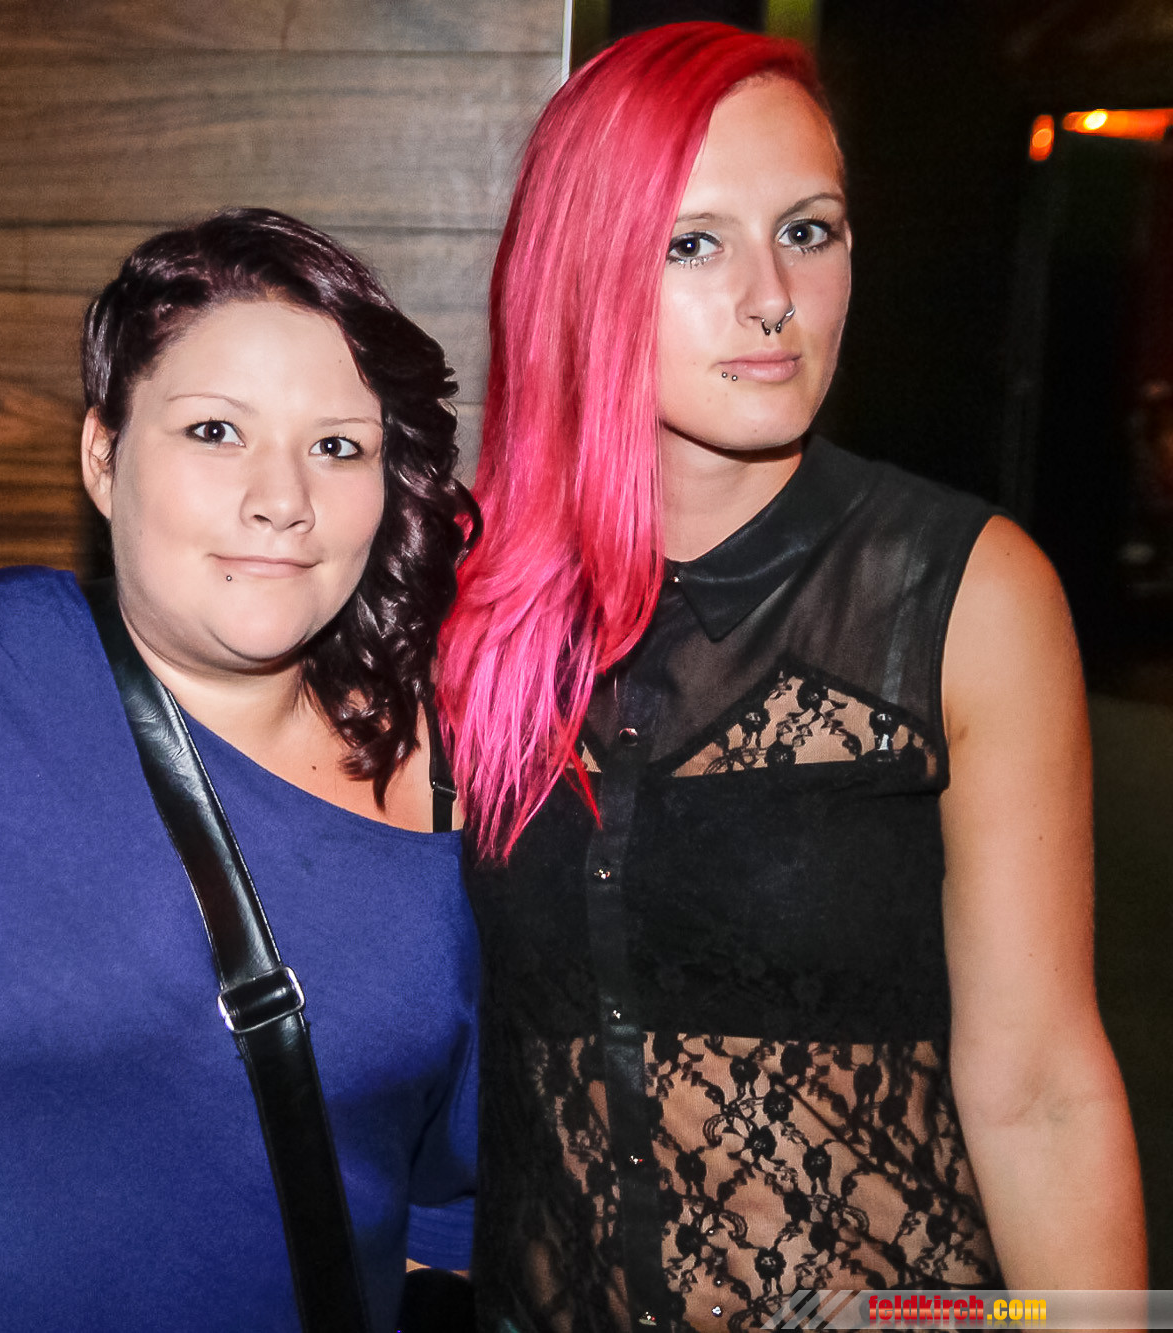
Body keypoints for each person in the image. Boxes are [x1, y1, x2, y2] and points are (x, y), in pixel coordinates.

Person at [434, 23, 1147, 1333]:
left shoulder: (964, 594)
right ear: (581, 268)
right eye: (692, 244)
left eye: (807, 232)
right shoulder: (472, 603)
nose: (771, 295)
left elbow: (1041, 1086)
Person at [0, 208, 480, 1331]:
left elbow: (440, 1209)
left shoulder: (452, 775)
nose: (283, 498)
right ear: (102, 458)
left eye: (337, 446)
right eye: (215, 431)